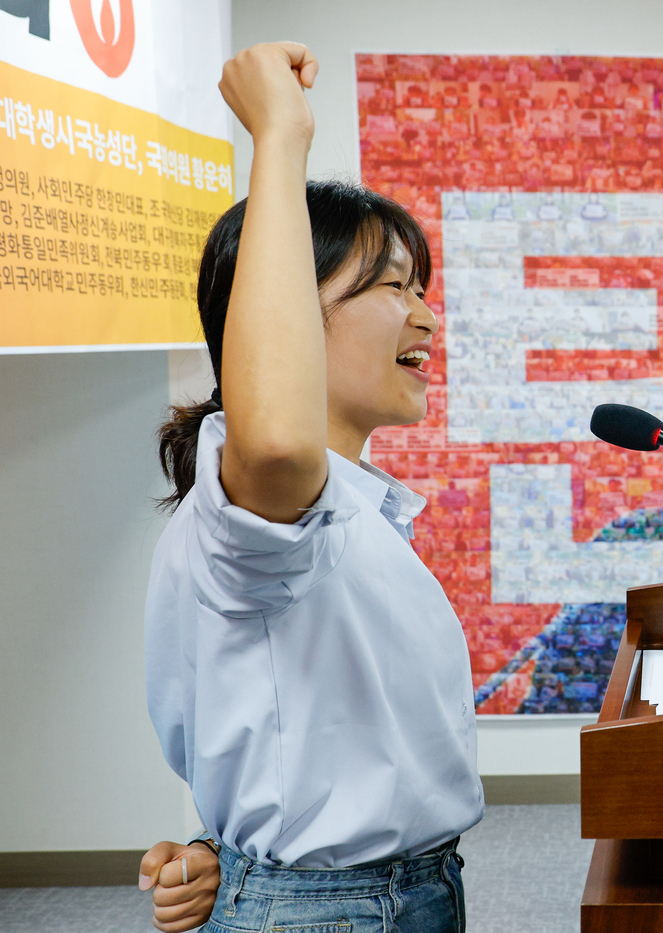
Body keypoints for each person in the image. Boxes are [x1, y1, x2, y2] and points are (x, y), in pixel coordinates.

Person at [141, 42, 482, 932]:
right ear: (284, 304)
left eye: (423, 287)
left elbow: (293, 730)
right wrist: (279, 134)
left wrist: (228, 846)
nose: (425, 314)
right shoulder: (258, 490)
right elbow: (281, 436)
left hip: (397, 891)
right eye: (390, 286)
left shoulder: (346, 504)